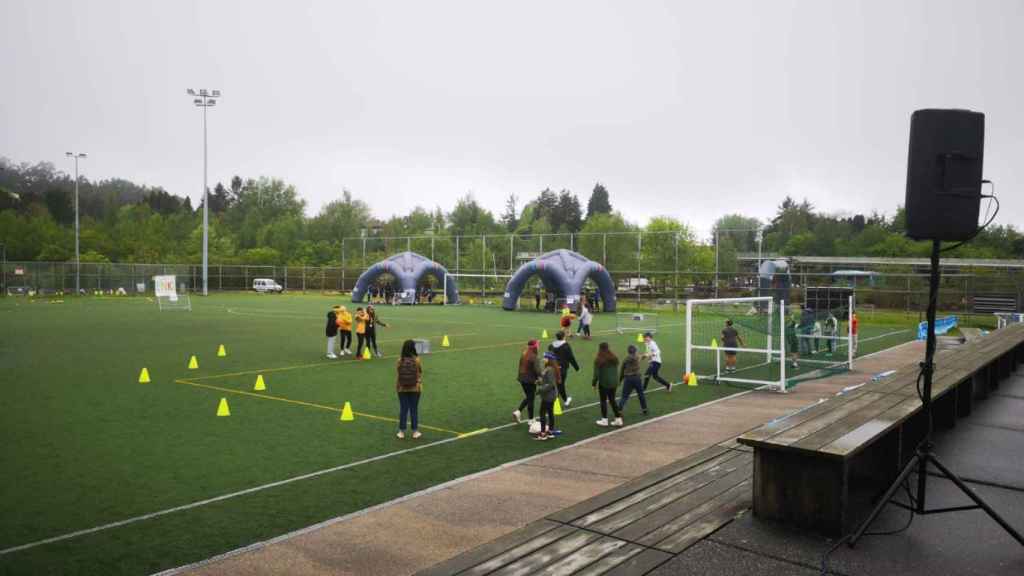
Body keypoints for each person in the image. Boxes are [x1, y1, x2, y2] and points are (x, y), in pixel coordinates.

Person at [395, 339, 422, 439]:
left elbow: (398, 374)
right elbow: (419, 372)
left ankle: (401, 431)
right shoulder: (417, 360)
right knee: (414, 409)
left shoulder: (400, 360)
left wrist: (397, 386)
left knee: (403, 409)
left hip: (402, 388)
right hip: (415, 388)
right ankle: (415, 431)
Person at [592, 342, 623, 427]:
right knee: (612, 400)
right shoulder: (614, 358)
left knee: (603, 401)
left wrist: (594, 383)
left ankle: (604, 420)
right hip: (614, 382)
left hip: (604, 383)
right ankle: (618, 419)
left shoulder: (598, 359)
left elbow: (596, 374)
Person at [514, 340, 542, 424]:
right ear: (534, 347)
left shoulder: (524, 353)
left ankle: (518, 411)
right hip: (530, 380)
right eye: (537, 345)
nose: (538, 346)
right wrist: (542, 376)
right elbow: (538, 371)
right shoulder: (534, 356)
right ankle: (531, 420)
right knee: (531, 399)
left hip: (522, 378)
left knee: (529, 396)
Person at [536, 351, 560, 440]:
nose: (544, 359)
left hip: (548, 396)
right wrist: (539, 382)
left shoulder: (549, 370)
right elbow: (547, 381)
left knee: (542, 413)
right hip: (551, 395)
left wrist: (540, 390)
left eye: (545, 358)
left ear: (549, 359)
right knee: (550, 413)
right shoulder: (551, 368)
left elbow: (550, 384)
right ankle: (550, 431)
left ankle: (543, 434)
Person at [618, 344, 648, 415]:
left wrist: (620, 381)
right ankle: (644, 409)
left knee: (624, 396)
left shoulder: (626, 359)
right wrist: (648, 354)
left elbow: (622, 371)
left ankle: (619, 411)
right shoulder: (637, 357)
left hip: (628, 379)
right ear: (635, 351)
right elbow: (643, 356)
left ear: (628, 351)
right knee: (641, 394)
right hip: (637, 378)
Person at [551, 331, 578, 407]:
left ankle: (559, 399)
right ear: (563, 336)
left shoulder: (552, 345)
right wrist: (576, 367)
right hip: (562, 368)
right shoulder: (566, 345)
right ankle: (565, 400)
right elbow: (571, 357)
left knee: (557, 384)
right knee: (560, 384)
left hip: (553, 367)